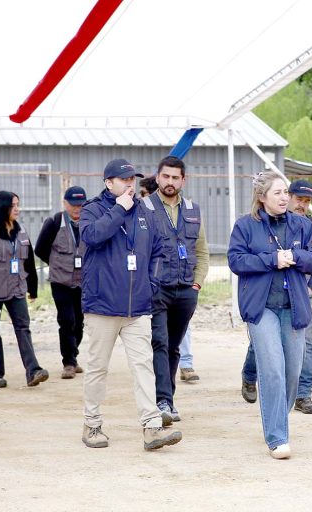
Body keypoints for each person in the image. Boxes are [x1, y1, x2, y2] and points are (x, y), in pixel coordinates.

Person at [79, 158, 181, 451]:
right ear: (108, 183)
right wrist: (118, 209)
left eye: (132, 180)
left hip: (138, 306)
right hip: (102, 306)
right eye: (124, 180)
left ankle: (151, 428)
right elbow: (92, 237)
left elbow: (161, 249)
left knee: (143, 365)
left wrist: (152, 284)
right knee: (98, 367)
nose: (130, 185)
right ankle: (93, 424)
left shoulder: (144, 212)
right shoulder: (93, 210)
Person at [227, 171, 312, 459]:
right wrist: (271, 260)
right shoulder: (245, 226)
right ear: (262, 196)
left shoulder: (303, 225)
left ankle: (279, 416)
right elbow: (235, 260)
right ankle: (277, 436)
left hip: (293, 306)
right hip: (262, 308)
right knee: (272, 371)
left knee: (292, 373)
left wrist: (295, 257)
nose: (284, 197)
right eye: (278, 192)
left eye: (285, 193)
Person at [241, 179, 312, 414]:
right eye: (298, 199)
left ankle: (303, 394)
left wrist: (311, 288)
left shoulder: (309, 226)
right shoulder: (253, 226)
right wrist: (272, 260)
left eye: (307, 201)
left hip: (300, 297)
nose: (302, 205)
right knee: (264, 349)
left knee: (304, 346)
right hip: (266, 300)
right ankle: (250, 375)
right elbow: (237, 260)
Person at [141, 156, 209, 423]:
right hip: (156, 289)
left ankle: (167, 397)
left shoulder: (193, 210)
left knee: (173, 346)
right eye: (165, 177)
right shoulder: (142, 208)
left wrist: (197, 283)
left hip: (186, 290)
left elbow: (202, 252)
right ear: (158, 178)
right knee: (159, 342)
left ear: (183, 180)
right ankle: (163, 401)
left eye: (175, 177)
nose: (170, 182)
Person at [0, 191, 49, 388]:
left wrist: (33, 289)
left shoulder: (21, 232)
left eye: (18, 205)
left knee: (23, 329)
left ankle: (33, 371)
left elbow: (29, 262)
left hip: (16, 289)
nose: (17, 209)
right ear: (2, 207)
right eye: (14, 206)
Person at [34, 186, 87, 379]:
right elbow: (40, 249)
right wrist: (57, 263)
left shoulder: (91, 222)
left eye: (81, 205)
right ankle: (69, 363)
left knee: (79, 322)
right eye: (73, 205)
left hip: (83, 282)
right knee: (67, 320)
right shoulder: (55, 222)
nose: (77, 209)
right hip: (61, 281)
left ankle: (73, 354)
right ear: (65, 204)